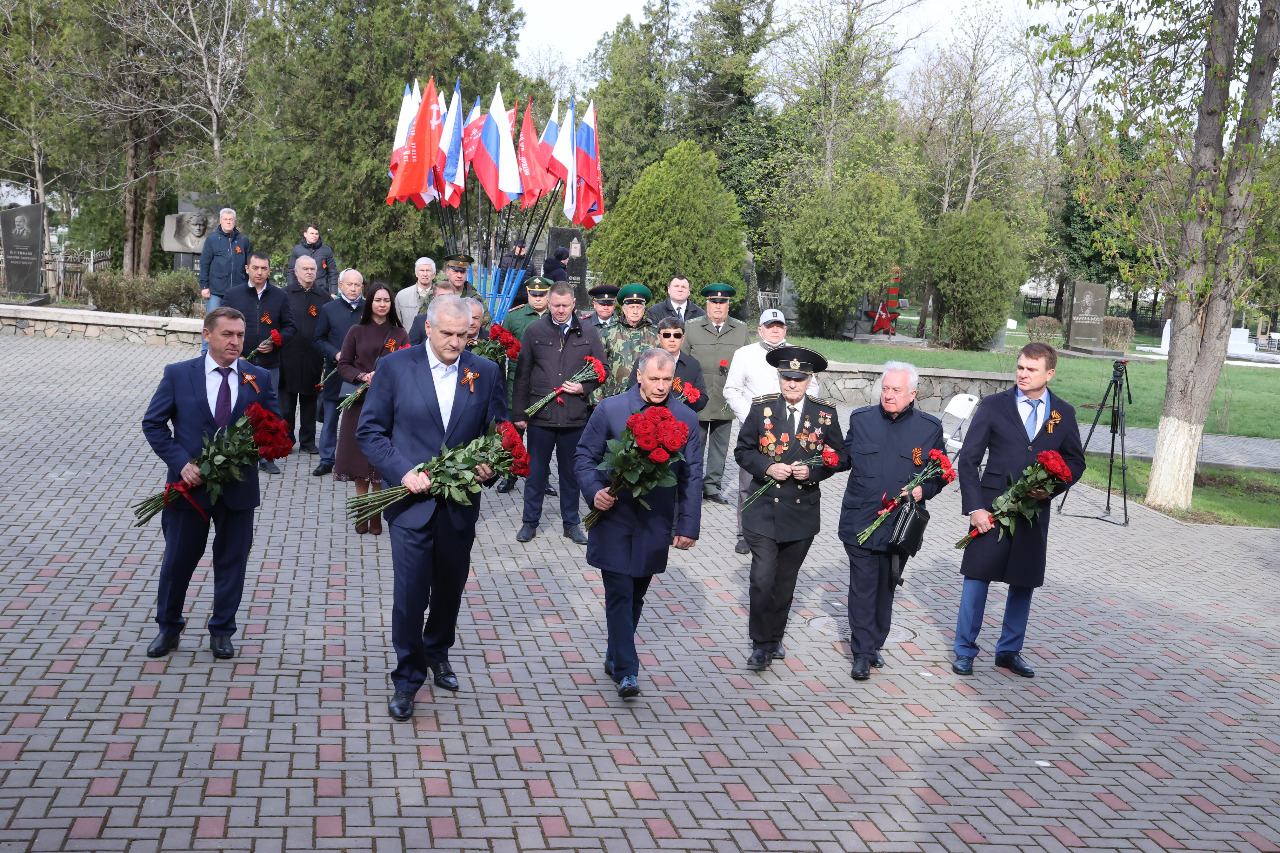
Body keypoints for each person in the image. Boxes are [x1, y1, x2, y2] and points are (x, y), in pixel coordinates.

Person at [356, 295, 508, 721]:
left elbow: (500, 433)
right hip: (410, 503)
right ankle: (407, 677)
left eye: (464, 335)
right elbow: (370, 432)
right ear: (428, 327)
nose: (457, 342)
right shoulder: (395, 368)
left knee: (449, 586)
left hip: (459, 506)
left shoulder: (486, 371)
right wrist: (402, 471)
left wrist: (489, 467)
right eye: (449, 334)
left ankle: (437, 651)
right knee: (410, 593)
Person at [140, 307, 281, 661]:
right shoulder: (178, 374)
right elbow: (154, 424)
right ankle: (169, 628)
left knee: (232, 562)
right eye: (227, 334)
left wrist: (263, 445)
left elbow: (277, 427)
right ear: (207, 335)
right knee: (177, 562)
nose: (235, 342)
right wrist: (180, 463)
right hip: (189, 490)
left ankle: (222, 630)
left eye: (240, 335)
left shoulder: (259, 377)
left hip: (238, 491)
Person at [575, 348, 703, 699]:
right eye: (654, 379)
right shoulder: (611, 409)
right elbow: (584, 457)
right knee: (618, 592)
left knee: (636, 593)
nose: (661, 387)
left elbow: (692, 476)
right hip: (614, 517)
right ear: (639, 376)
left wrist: (688, 524)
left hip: (654, 520)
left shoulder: (686, 419)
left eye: (667, 380)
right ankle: (627, 671)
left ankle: (615, 653)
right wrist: (596, 491)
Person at [952, 343, 1086, 678]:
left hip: (1033, 513)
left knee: (1023, 581)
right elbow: (968, 461)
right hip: (992, 509)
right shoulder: (994, 406)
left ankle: (1009, 651)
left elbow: (1075, 462)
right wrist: (975, 508)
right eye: (1020, 367)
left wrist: (1052, 488)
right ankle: (964, 651)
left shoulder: (1063, 414)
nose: (1023, 374)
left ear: (1049, 373)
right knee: (977, 578)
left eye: (1031, 369)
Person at [735, 346, 848, 671]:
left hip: (800, 513)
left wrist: (813, 471)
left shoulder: (824, 414)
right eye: (787, 378)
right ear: (779, 377)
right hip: (763, 510)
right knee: (762, 578)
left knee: (784, 582)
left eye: (798, 379)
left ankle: (774, 638)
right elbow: (743, 451)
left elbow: (840, 457)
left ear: (809, 379)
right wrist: (768, 468)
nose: (792, 385)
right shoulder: (762, 409)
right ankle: (760, 644)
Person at [836, 362, 947, 680]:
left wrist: (922, 490)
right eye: (885, 388)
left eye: (896, 390)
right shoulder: (862, 420)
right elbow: (844, 457)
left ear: (912, 394)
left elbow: (940, 473)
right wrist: (821, 456)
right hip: (860, 518)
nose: (889, 395)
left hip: (899, 525)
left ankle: (874, 645)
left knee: (886, 586)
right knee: (862, 587)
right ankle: (861, 652)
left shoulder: (929, 428)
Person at [511, 281, 606, 545]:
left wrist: (583, 387)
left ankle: (571, 523)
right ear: (548, 304)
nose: (561, 310)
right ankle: (529, 522)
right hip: (540, 415)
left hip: (574, 417)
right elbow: (522, 375)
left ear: (574, 304)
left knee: (571, 474)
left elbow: (603, 369)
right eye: (556, 305)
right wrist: (520, 413)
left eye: (565, 305)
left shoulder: (587, 332)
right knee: (536, 472)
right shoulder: (534, 330)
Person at [723, 309, 820, 554]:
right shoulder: (744, 354)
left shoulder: (799, 355)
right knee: (749, 482)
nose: (775, 330)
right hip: (756, 432)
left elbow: (814, 388)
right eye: (770, 326)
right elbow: (731, 389)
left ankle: (783, 530)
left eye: (779, 326)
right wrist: (754, 420)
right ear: (760, 329)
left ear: (786, 330)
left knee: (790, 481)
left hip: (792, 429)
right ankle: (745, 533)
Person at [335, 282, 409, 535]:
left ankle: (376, 514)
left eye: (386, 300)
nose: (382, 304)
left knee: (380, 459)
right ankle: (361, 513)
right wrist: (363, 376)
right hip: (359, 402)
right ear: (370, 302)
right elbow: (343, 364)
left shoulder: (400, 334)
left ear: (391, 304)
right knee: (358, 458)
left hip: (387, 403)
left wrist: (386, 378)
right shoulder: (356, 330)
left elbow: (407, 366)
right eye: (377, 300)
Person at [222, 252, 296, 474]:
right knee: (235, 406)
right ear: (247, 269)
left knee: (267, 411)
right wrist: (235, 354)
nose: (259, 272)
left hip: (269, 364)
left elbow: (290, 327)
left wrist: (276, 342)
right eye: (255, 268)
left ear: (269, 271)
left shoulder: (280, 297)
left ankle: (266, 456)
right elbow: (221, 327)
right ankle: (231, 452)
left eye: (264, 268)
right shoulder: (233, 295)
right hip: (238, 362)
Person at [683, 283, 753, 505]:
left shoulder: (740, 330)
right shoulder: (692, 327)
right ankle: (692, 485)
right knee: (695, 445)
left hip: (725, 400)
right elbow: (683, 362)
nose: (718, 306)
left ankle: (712, 486)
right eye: (714, 302)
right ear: (707, 304)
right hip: (698, 398)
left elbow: (747, 363)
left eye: (722, 303)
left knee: (720, 447)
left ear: (728, 306)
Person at [497, 277, 553, 494]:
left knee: (542, 437)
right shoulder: (514, 317)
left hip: (545, 387)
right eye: (534, 295)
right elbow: (501, 350)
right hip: (516, 386)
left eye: (541, 295)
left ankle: (544, 478)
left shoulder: (556, 316)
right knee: (513, 435)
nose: (538, 299)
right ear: (528, 294)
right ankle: (510, 476)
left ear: (548, 295)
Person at [312, 269, 365, 476]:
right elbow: (318, 339)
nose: (353, 288)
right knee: (330, 419)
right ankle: (326, 459)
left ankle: (356, 460)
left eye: (357, 285)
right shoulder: (329, 309)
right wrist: (335, 354)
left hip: (360, 375)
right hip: (335, 373)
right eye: (349, 284)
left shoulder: (368, 308)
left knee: (358, 419)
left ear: (362, 287)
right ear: (340, 285)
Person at [279, 256, 329, 453]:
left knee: (309, 401)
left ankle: (308, 441)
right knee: (287, 404)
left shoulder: (323, 297)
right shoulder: (283, 294)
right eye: (305, 269)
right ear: (296, 271)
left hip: (313, 357)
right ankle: (286, 440)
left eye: (312, 269)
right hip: (288, 355)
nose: (309, 272)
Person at [197, 208, 252, 354]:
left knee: (238, 323)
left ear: (234, 221)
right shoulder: (212, 239)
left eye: (231, 219)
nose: (228, 222)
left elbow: (250, 264)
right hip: (216, 290)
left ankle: (237, 352)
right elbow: (204, 263)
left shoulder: (243, 239)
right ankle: (206, 353)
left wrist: (250, 285)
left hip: (238, 290)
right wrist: (204, 285)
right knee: (212, 322)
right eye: (226, 219)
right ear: (220, 221)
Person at [628, 317, 707, 413]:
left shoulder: (693, 365)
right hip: (648, 417)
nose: (672, 339)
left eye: (677, 335)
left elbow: (702, 398)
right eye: (666, 335)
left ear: (682, 338)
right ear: (658, 337)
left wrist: (684, 408)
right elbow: (631, 392)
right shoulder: (644, 361)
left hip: (680, 419)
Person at [598, 284, 660, 402]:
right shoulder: (607, 332)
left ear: (644, 309)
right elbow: (597, 367)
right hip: (614, 397)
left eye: (638, 307)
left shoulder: (655, 333)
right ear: (623, 309)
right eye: (631, 307)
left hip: (647, 397)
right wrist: (597, 400)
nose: (635, 311)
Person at [286, 224, 338, 294]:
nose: (314, 236)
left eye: (316, 234)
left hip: (322, 291)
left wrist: (333, 292)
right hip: (301, 291)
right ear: (305, 234)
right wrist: (291, 290)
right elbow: (291, 272)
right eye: (312, 233)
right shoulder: (297, 250)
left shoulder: (326, 250)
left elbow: (333, 272)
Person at [395, 257, 436, 330]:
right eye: (422, 270)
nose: (425, 274)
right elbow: (396, 324)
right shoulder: (402, 296)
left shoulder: (440, 295)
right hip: (408, 340)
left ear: (434, 274)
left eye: (428, 270)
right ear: (416, 273)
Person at [500, 238, 536, 307]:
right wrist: (503, 295)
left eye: (524, 247)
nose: (522, 249)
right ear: (514, 247)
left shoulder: (529, 262)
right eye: (520, 247)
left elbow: (534, 278)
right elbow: (501, 279)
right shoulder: (506, 260)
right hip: (510, 296)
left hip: (525, 297)